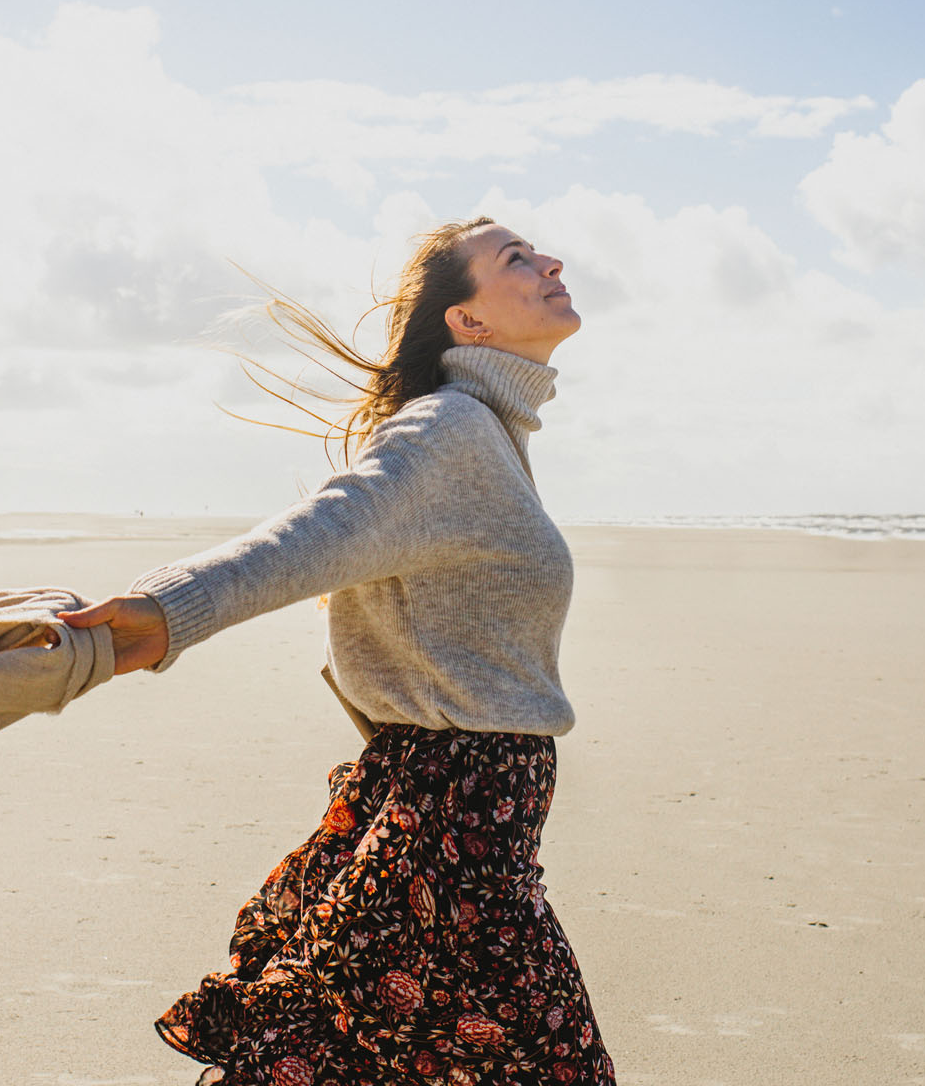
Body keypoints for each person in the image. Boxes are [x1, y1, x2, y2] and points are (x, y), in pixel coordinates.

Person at [57, 216, 615, 1085]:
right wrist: (173, 609)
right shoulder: (452, 432)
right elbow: (319, 534)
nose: (551, 260)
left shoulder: (490, 435)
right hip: (451, 840)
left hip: (459, 836)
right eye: (514, 258)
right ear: (466, 322)